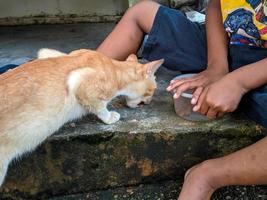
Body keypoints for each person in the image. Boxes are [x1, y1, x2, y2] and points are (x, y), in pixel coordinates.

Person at [97, 0, 267, 199]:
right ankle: (74, 83)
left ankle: (207, 176)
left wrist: (239, 82)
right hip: (226, 43)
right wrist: (216, 66)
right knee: (141, 13)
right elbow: (216, 4)